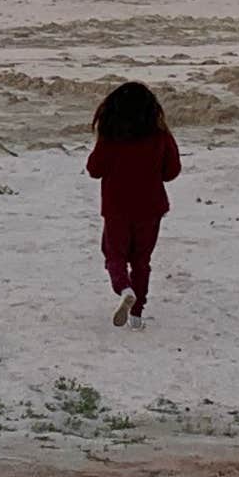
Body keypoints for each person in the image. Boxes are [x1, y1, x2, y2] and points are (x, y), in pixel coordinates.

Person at [85, 79, 182, 326]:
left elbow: (94, 169)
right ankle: (137, 314)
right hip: (151, 207)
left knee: (113, 254)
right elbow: (172, 171)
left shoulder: (111, 137)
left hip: (117, 208)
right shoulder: (160, 136)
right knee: (141, 261)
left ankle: (124, 289)